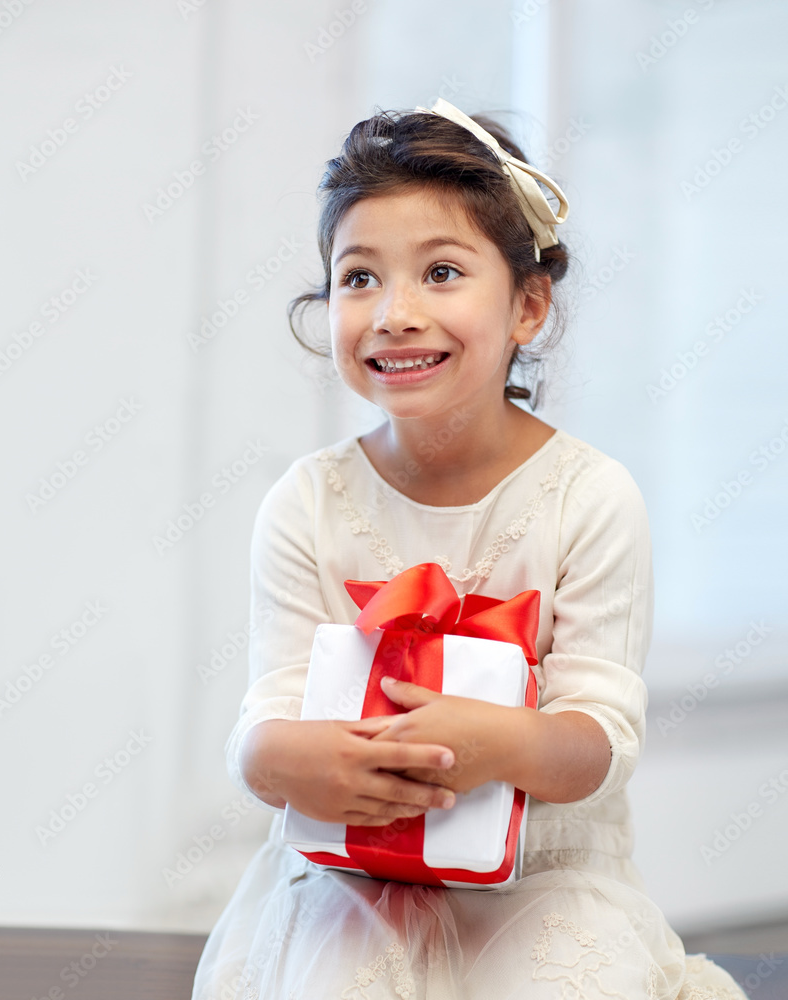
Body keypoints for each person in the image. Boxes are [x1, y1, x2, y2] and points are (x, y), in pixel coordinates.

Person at [191, 99, 747, 999]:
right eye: (359, 278)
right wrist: (286, 761)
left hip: (545, 875)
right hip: (353, 872)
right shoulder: (308, 502)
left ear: (529, 305)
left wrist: (497, 743)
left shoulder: (589, 498)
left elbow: (600, 739)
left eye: (441, 272)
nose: (395, 313)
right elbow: (265, 723)